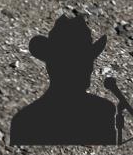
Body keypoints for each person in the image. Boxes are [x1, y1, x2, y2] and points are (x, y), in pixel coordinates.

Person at [9, 12, 119, 145]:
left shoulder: (25, 120)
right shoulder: (102, 112)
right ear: (54, 67)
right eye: (76, 64)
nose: (88, 69)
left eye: (87, 62)